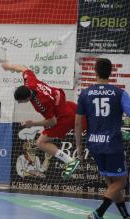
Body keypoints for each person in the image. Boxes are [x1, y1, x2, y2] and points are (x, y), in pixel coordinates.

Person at [1, 61, 84, 180]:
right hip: (65, 104)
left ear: (28, 98)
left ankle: (70, 161)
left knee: (40, 143)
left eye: (21, 101)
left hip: (63, 117)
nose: (20, 103)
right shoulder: (30, 82)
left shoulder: (40, 103)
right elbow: (23, 67)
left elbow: (52, 121)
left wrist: (32, 123)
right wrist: (9, 66)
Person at [75, 58, 130, 219]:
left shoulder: (85, 93)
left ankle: (125, 215)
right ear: (110, 72)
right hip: (113, 144)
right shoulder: (119, 93)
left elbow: (78, 123)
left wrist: (79, 147)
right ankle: (99, 212)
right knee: (121, 182)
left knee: (111, 183)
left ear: (95, 71)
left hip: (94, 144)